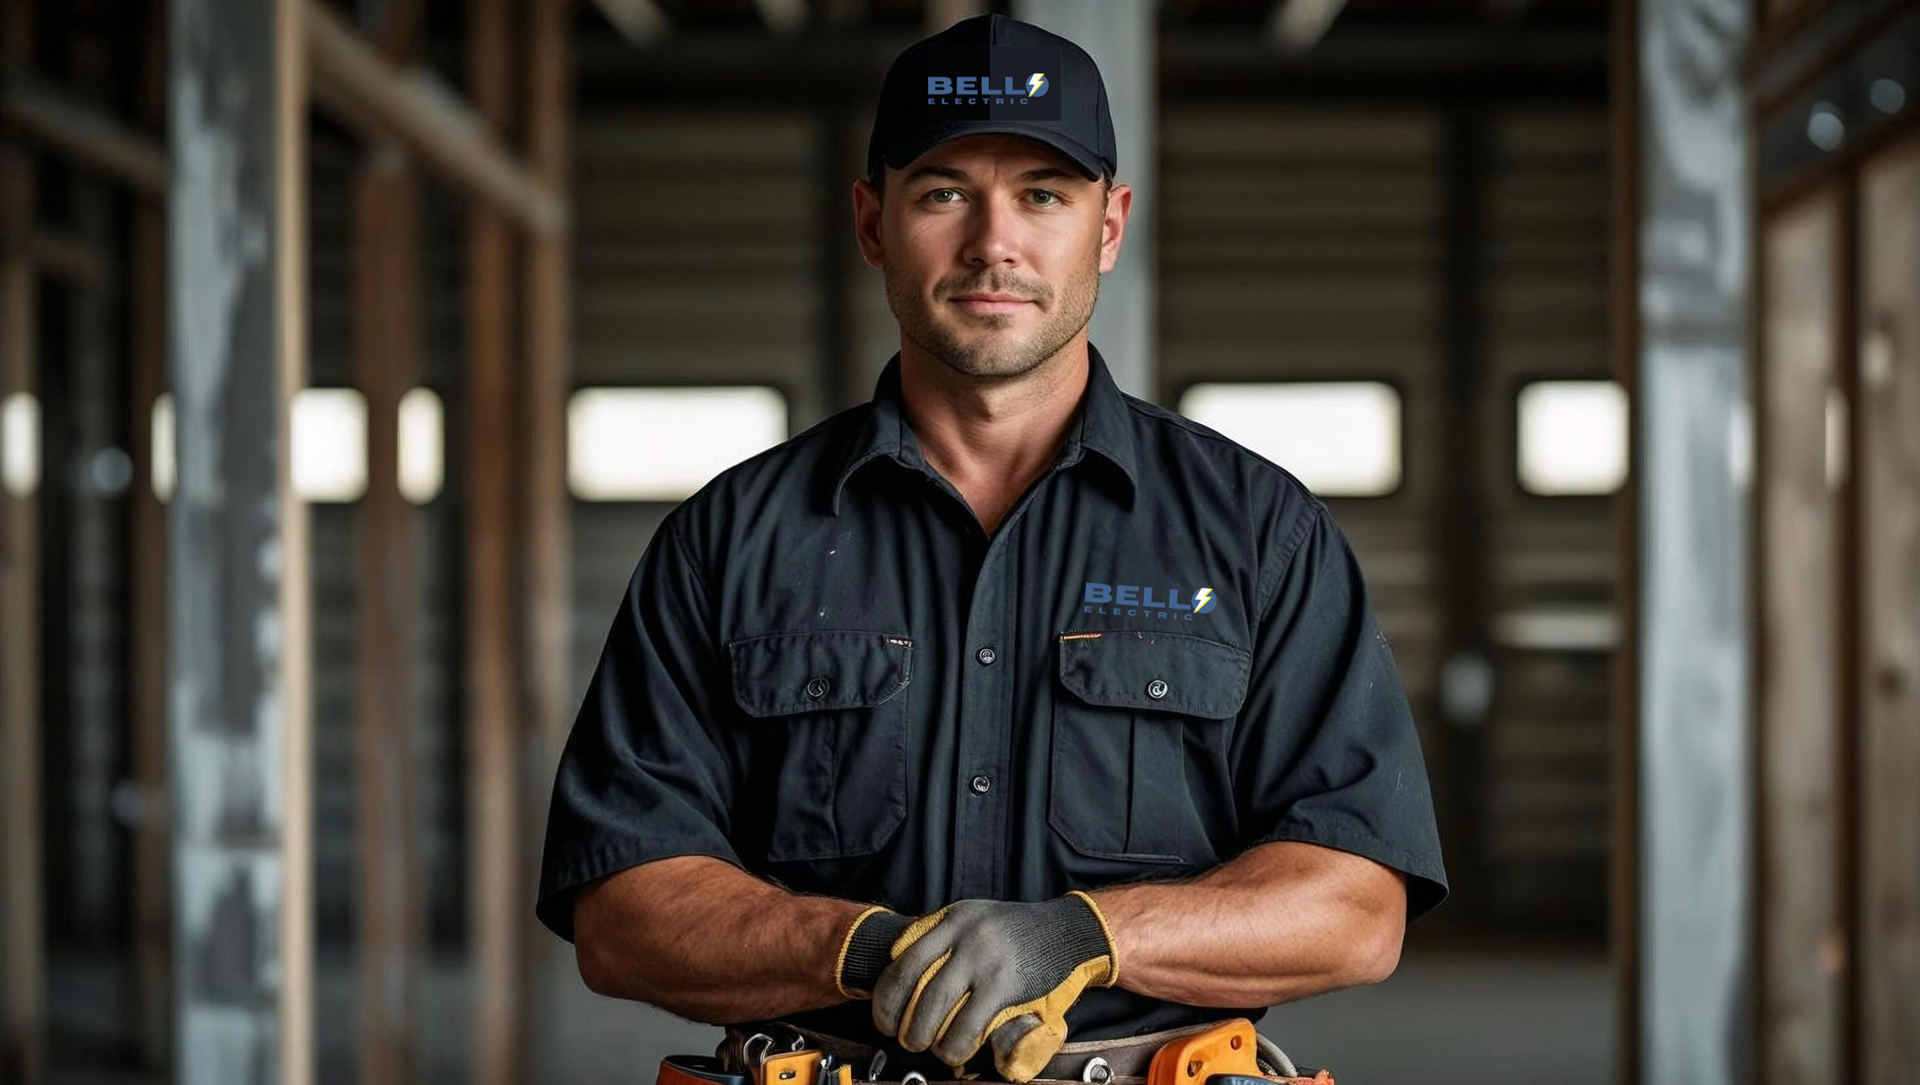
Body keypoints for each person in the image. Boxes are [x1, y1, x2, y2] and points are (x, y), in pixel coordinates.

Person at [535, 13, 1447, 1084]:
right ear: (873, 223)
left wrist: (1085, 932)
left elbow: (1356, 904)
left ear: (1109, 226)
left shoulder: (1258, 535)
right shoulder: (731, 540)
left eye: (1042, 195)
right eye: (942, 193)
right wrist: (870, 950)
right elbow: (622, 908)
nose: (992, 244)